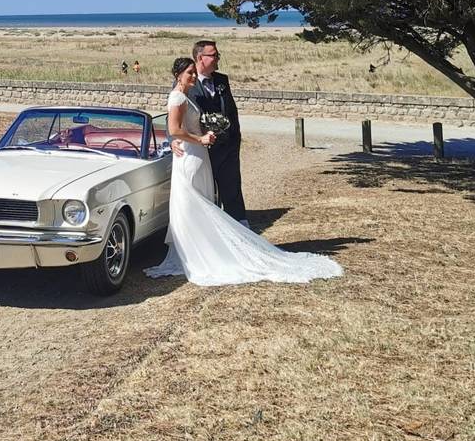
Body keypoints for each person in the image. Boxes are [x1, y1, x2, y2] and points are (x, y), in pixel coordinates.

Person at [145, 58, 342, 286]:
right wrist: (198, 138)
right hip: (189, 155)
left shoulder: (186, 95)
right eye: (188, 73)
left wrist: (205, 134)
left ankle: (201, 251)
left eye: (192, 73)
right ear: (178, 75)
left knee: (199, 203)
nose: (191, 76)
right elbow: (173, 129)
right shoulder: (177, 96)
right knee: (189, 206)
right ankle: (192, 254)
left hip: (199, 155)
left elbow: (185, 125)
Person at [189, 40, 247, 224]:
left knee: (232, 190)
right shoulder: (187, 83)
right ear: (200, 58)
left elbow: (232, 111)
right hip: (201, 151)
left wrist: (235, 138)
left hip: (228, 148)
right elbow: (173, 118)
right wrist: (174, 140)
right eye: (213, 55)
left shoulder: (222, 80)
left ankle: (241, 231)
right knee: (205, 194)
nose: (217, 58)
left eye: (217, 55)